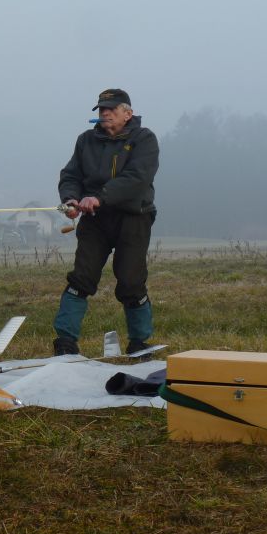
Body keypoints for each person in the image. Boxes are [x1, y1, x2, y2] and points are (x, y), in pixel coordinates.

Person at [52, 88, 160, 357]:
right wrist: (71, 199)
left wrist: (99, 197)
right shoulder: (85, 141)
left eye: (111, 108)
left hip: (134, 217)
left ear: (128, 113)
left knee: (131, 282)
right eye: (101, 109)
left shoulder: (145, 139)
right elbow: (70, 175)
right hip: (95, 221)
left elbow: (137, 179)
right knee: (81, 278)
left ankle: (139, 342)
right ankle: (65, 341)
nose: (105, 113)